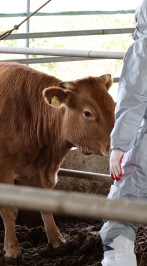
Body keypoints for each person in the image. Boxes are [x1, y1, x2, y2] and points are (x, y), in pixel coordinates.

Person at [99, 1, 147, 265]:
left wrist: (119, 147)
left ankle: (119, 261)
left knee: (121, 211)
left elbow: (133, 102)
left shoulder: (143, 48)